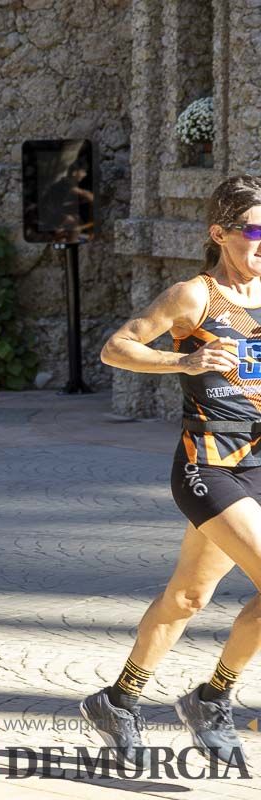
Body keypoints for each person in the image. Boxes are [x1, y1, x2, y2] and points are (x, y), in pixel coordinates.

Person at [82, 175, 261, 768]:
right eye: (255, 230)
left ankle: (118, 698)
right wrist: (184, 359)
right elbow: (117, 348)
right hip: (209, 466)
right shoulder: (195, 295)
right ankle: (214, 697)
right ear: (220, 234)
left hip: (259, 465)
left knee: (187, 597)